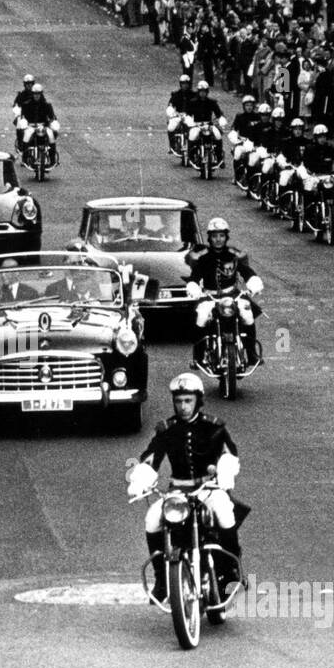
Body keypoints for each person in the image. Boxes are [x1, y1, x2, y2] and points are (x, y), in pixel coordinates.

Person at [126, 372, 247, 604]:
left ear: (198, 401)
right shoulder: (166, 430)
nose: (183, 406)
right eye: (179, 401)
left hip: (208, 488)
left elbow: (229, 454)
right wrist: (141, 479)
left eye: (188, 400)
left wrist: (225, 472)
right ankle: (162, 579)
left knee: (224, 513)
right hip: (178, 491)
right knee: (152, 518)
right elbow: (151, 458)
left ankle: (231, 570)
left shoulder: (214, 427)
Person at [185, 217, 264, 368]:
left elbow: (247, 272)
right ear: (209, 238)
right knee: (201, 317)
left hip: (233, 295)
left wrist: (253, 283)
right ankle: (198, 357)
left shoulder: (233, 254)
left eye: (221, 235)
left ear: (226, 237)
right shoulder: (203, 257)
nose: (218, 239)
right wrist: (194, 287)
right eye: (214, 236)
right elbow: (194, 277)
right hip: (209, 296)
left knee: (247, 314)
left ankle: (252, 354)